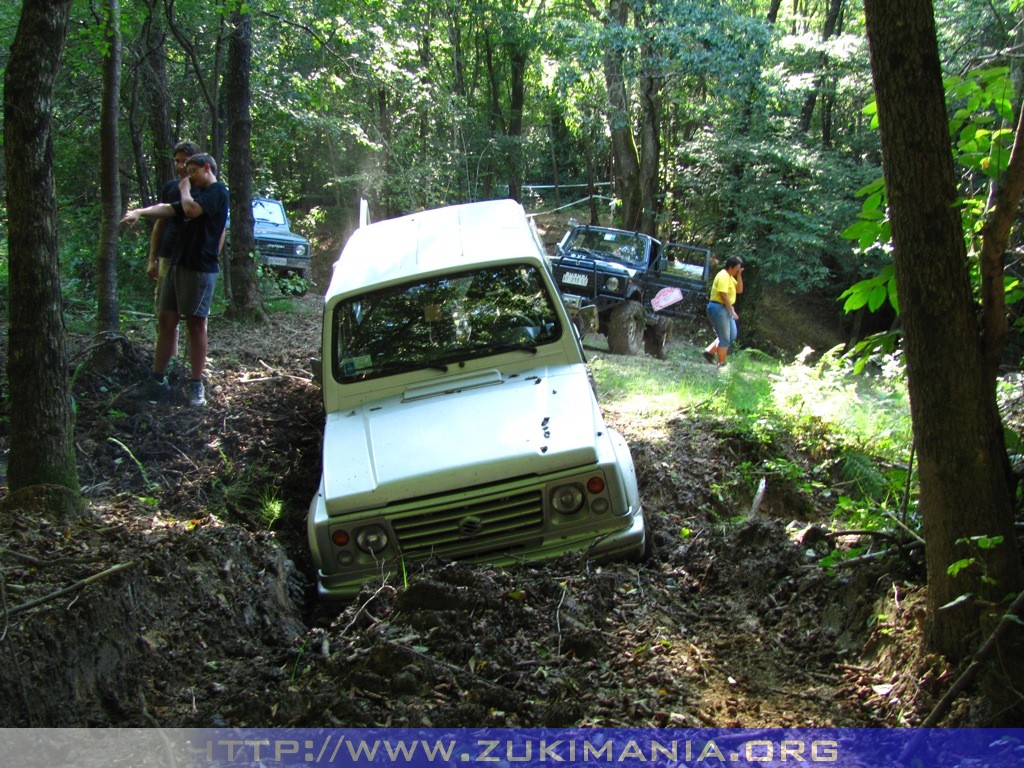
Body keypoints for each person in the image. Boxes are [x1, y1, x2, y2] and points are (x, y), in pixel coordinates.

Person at [121, 153, 229, 407]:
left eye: (192, 171)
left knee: (195, 324)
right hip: (177, 263)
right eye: (185, 171)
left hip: (199, 268)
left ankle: (195, 384)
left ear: (206, 168)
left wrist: (183, 188)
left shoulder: (217, 192)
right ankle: (157, 380)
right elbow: (169, 210)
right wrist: (139, 211)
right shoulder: (194, 193)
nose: (187, 175)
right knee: (166, 319)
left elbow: (190, 210)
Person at [147, 140, 201, 314]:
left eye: (185, 161)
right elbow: (160, 224)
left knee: (193, 315)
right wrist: (152, 259)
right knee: (164, 312)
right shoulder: (170, 188)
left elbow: (218, 229)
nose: (181, 166)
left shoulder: (208, 190)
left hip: (193, 260)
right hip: (168, 255)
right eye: (177, 161)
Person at [702, 256, 744, 366]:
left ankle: (709, 352)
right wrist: (733, 312)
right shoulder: (723, 275)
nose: (738, 270)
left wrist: (739, 275)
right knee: (725, 337)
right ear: (731, 267)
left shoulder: (730, 277)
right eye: (737, 268)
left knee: (731, 336)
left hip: (726, 309)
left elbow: (739, 290)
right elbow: (724, 296)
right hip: (718, 308)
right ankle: (722, 364)